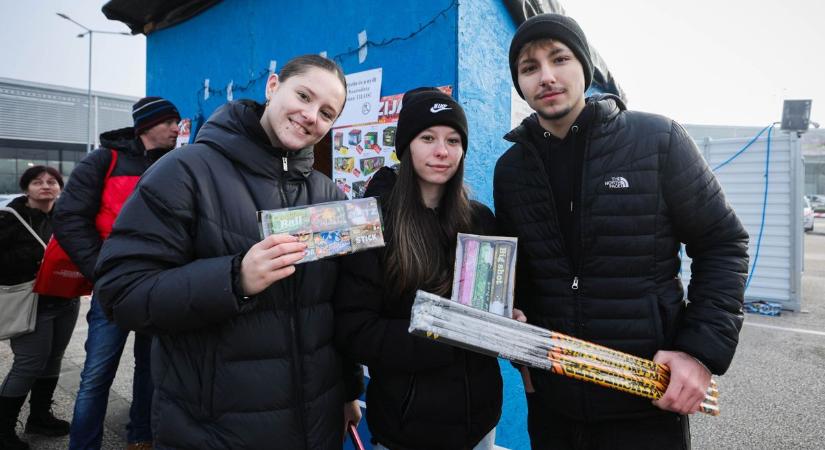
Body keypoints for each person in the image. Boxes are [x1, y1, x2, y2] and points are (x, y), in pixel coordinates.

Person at [493, 13, 750, 449]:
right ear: (519, 82)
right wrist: (521, 347)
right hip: (554, 404)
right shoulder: (511, 169)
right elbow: (524, 273)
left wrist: (699, 352)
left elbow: (723, 243)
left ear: (585, 68)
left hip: (645, 399)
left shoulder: (656, 139)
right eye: (530, 67)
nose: (547, 76)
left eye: (559, 59)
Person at [93, 54, 363, 449]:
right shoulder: (184, 172)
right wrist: (234, 279)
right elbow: (120, 292)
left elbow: (336, 308)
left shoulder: (327, 195)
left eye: (326, 112)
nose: (310, 116)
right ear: (273, 87)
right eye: (303, 96)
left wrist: (348, 389)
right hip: (216, 429)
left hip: (316, 425)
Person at [334, 88, 505, 450]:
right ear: (406, 146)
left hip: (480, 425)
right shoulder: (370, 222)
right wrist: (443, 341)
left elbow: (491, 306)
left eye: (453, 140)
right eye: (427, 138)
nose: (442, 151)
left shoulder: (480, 220)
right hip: (407, 430)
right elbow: (355, 329)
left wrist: (506, 320)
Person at [52, 96, 181, 450]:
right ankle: (84, 444)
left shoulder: (177, 164)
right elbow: (68, 217)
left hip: (158, 285)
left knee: (151, 370)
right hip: (113, 287)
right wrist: (101, 269)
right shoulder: (103, 160)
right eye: (171, 122)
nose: (176, 129)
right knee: (97, 374)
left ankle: (141, 437)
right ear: (148, 125)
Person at [0, 167, 78, 450]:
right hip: (31, 303)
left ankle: (40, 416)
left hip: (66, 300)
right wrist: (38, 260)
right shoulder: (8, 219)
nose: (45, 186)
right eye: (37, 182)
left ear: (59, 188)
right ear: (26, 188)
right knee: (28, 364)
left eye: (52, 182)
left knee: (53, 358)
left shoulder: (67, 217)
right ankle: (3, 429)